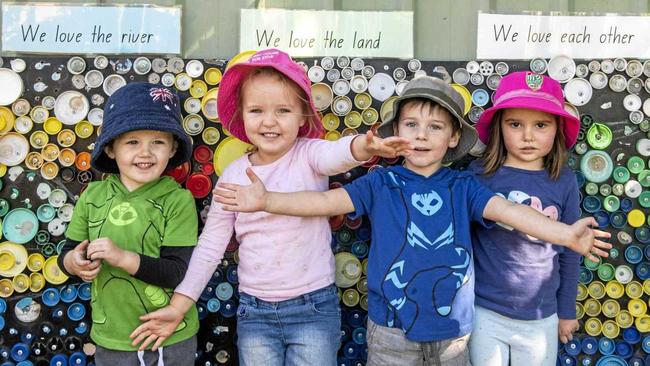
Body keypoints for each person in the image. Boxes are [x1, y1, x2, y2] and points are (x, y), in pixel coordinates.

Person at [210, 76, 611, 366]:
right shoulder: (378, 182)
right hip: (390, 329)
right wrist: (266, 200)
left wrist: (565, 233)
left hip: (454, 332)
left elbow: (511, 212)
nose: (421, 135)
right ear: (395, 132)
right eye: (411, 125)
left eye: (435, 127)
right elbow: (323, 201)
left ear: (453, 138)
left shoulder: (464, 186)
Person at [130, 48, 413, 366]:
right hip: (255, 312)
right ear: (241, 115)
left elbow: (338, 154)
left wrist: (365, 145)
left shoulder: (309, 155)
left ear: (303, 115)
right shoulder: (234, 176)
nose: (269, 122)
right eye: (256, 111)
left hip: (312, 307)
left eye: (283, 111)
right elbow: (211, 246)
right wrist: (180, 304)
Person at [58, 82, 199, 365]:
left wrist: (121, 257)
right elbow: (68, 253)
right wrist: (75, 262)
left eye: (157, 142)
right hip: (112, 338)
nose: (145, 153)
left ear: (172, 148)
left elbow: (175, 272)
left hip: (169, 338)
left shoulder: (178, 200)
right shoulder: (93, 196)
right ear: (111, 149)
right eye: (132, 142)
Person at [467, 71, 593, 365]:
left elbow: (570, 253)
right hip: (484, 310)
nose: (528, 136)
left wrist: (566, 311)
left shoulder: (563, 181)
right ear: (500, 127)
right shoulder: (479, 176)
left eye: (541, 125)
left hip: (541, 317)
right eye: (515, 124)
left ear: (557, 129)